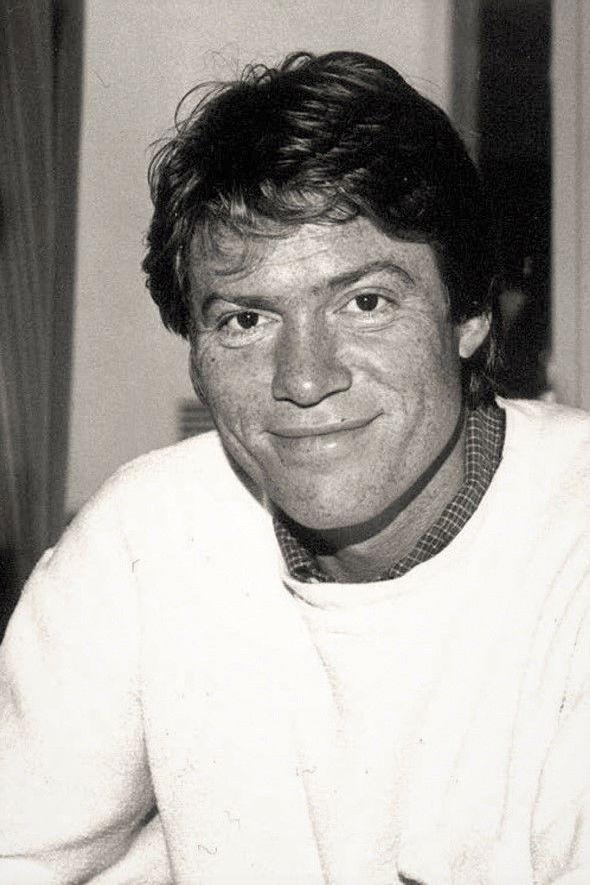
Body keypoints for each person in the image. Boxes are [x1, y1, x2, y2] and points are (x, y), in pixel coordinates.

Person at [1, 50, 589, 885]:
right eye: (246, 320)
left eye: (366, 302)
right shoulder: (141, 540)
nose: (306, 379)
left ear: (469, 315)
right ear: (196, 350)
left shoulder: (573, 534)